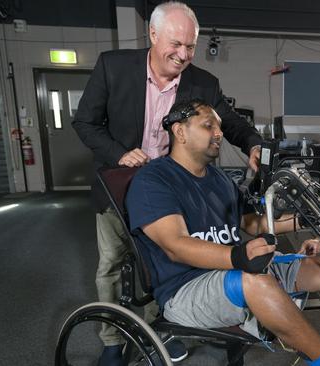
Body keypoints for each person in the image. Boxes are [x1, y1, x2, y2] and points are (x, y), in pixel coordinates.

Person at [125, 99, 320, 366]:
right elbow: (175, 245)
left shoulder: (218, 178)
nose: (218, 133)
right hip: (185, 289)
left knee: (312, 266)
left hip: (230, 272)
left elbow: (251, 223)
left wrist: (301, 220)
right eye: (208, 125)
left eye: (220, 127)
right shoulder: (154, 179)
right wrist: (238, 255)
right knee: (255, 280)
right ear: (180, 131)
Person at [72, 2, 262, 364]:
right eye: (176, 44)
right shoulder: (113, 67)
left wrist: (254, 144)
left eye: (190, 46)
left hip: (173, 189)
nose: (183, 54)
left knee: (168, 258)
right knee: (114, 263)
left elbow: (231, 122)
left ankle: (162, 327)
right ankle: (113, 339)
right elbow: (85, 123)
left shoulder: (203, 83)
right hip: (121, 183)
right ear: (153, 35)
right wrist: (119, 153)